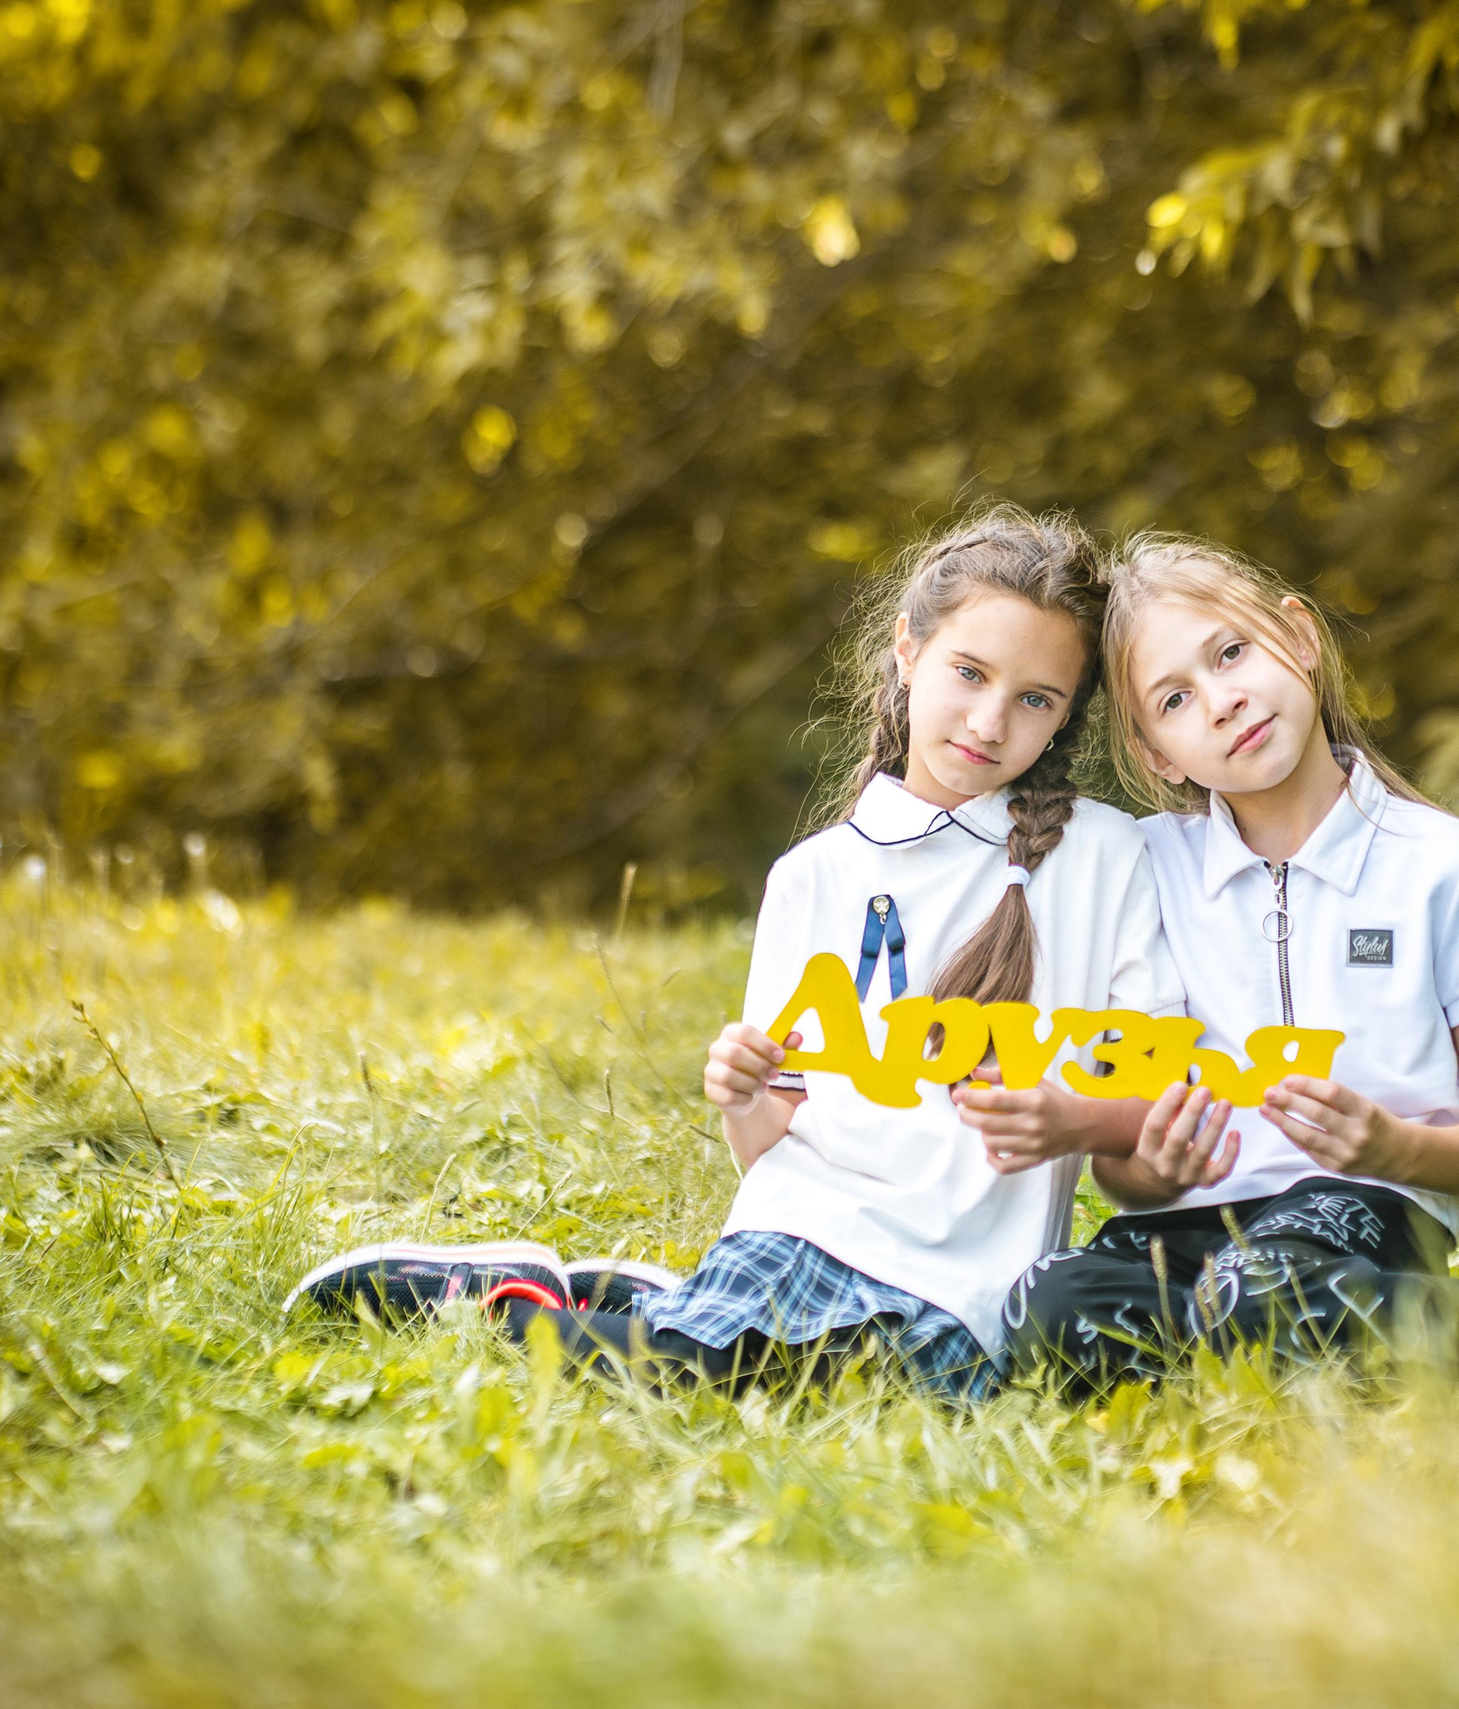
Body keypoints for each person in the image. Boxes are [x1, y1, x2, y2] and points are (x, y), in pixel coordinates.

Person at [290, 507, 1186, 1399]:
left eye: (1036, 699)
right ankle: (496, 1301)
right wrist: (743, 1093)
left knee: (867, 1395)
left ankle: (648, 1302)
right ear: (909, 653)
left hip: (970, 1286)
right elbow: (772, 1144)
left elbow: (1158, 1082)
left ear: (1066, 717)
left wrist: (1073, 1114)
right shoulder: (817, 876)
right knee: (700, 1373)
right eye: (969, 672)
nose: (990, 721)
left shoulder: (1107, 857)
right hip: (808, 1227)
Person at [1001, 534, 1459, 1395]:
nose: (1221, 701)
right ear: (1155, 753)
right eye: (1175, 698)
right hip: (1190, 1222)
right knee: (1050, 1302)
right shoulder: (1143, 868)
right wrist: (1155, 1170)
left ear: (1297, 636)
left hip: (1369, 1206)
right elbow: (1124, 1168)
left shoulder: (1445, 862)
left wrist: (1393, 1145)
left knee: (1256, 1290)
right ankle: (1273, 1347)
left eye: (1231, 653)